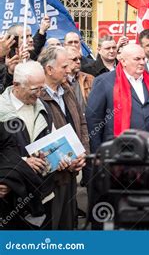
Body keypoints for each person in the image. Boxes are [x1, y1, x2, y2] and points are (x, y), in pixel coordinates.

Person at [38, 47, 89, 230]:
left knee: (68, 223)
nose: (69, 70)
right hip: (50, 178)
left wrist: (83, 153)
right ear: (49, 69)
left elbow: (82, 123)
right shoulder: (37, 96)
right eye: (64, 66)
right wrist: (64, 160)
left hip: (72, 172)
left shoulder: (67, 90)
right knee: (52, 225)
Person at [0, 61, 55, 229]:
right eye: (34, 89)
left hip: (42, 196)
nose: (39, 94)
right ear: (16, 85)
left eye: (42, 88)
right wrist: (21, 164)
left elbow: (53, 141)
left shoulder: (43, 107)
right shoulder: (2, 111)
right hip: (9, 200)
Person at [86, 44, 149, 153]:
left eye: (143, 58)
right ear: (123, 61)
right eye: (137, 59)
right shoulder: (103, 82)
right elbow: (94, 120)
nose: (142, 62)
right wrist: (97, 154)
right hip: (116, 152)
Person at [65, 47, 94, 113]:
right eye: (74, 59)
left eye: (79, 59)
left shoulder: (89, 79)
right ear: (64, 60)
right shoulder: (58, 81)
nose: (78, 62)